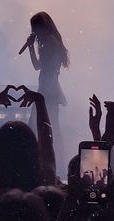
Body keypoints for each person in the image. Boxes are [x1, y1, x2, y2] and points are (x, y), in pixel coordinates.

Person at [26, 11, 69, 178]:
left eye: (36, 29)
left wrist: (42, 96)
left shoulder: (50, 42)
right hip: (47, 92)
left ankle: (52, 169)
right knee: (50, 130)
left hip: (47, 93)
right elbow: (39, 67)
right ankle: (55, 168)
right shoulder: (50, 42)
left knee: (42, 129)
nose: (35, 33)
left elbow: (42, 69)